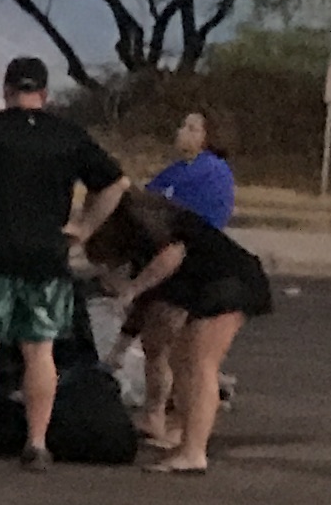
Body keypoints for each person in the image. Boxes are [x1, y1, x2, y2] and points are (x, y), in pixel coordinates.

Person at [0, 53, 124, 471]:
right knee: (41, 350)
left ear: (6, 90)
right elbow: (114, 182)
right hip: (46, 253)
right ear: (45, 93)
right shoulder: (68, 134)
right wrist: (84, 227)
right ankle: (37, 443)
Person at [86, 185, 274, 473]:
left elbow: (171, 256)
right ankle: (184, 438)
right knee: (182, 359)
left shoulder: (149, 223)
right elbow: (149, 301)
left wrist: (131, 289)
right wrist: (119, 349)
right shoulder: (148, 230)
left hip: (229, 283)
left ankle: (194, 452)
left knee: (200, 363)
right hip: (219, 284)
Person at [145, 107, 237, 227]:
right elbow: (149, 194)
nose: (181, 131)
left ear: (207, 136)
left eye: (191, 129)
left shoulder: (212, 169)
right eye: (182, 126)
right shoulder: (180, 167)